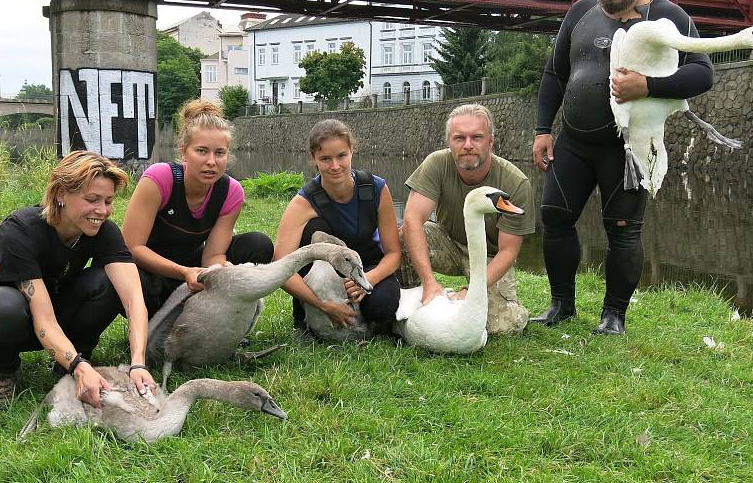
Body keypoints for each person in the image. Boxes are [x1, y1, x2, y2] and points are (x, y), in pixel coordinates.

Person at [532, 0, 713, 335]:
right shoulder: (580, 12)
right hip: (574, 141)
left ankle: (614, 315)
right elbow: (555, 74)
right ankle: (561, 305)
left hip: (628, 148)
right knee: (555, 218)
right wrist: (544, 128)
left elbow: (702, 74)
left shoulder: (668, 16)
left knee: (623, 232)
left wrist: (648, 86)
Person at [0, 151, 157, 406]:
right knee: (2, 304)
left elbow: (134, 300)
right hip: (15, 321)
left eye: (108, 201)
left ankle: (70, 361)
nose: (102, 211)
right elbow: (42, 317)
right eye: (92, 199)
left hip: (55, 311)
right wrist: (80, 366)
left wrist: (138, 363)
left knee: (107, 282)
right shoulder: (19, 231)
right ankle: (6, 369)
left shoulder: (103, 231)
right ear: (60, 195)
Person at [122, 99, 273, 317]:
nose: (211, 161)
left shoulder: (231, 192)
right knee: (129, 275)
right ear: (184, 152)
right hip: (151, 272)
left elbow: (213, 255)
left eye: (219, 153)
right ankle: (149, 322)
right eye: (202, 151)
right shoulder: (159, 178)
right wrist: (183, 272)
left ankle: (216, 319)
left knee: (257, 244)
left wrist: (223, 270)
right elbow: (132, 247)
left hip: (193, 268)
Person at [400, 103, 534, 335]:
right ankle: (412, 300)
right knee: (402, 235)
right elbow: (413, 219)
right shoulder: (436, 164)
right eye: (459, 138)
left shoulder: (515, 182)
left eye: (477, 137)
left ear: (491, 142)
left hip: (489, 258)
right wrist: (429, 281)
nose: (468, 145)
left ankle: (501, 306)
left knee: (502, 327)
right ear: (449, 142)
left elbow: (508, 252)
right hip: (449, 245)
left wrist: (472, 291)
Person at [273, 119, 401, 333]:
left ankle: (367, 317)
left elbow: (394, 253)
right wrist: (321, 303)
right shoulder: (303, 202)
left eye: (341, 156)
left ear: (351, 151)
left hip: (366, 267)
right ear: (314, 158)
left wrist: (369, 279)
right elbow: (281, 267)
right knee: (315, 228)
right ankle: (304, 317)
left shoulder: (376, 188)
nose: (335, 166)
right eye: (325, 159)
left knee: (383, 307)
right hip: (325, 274)